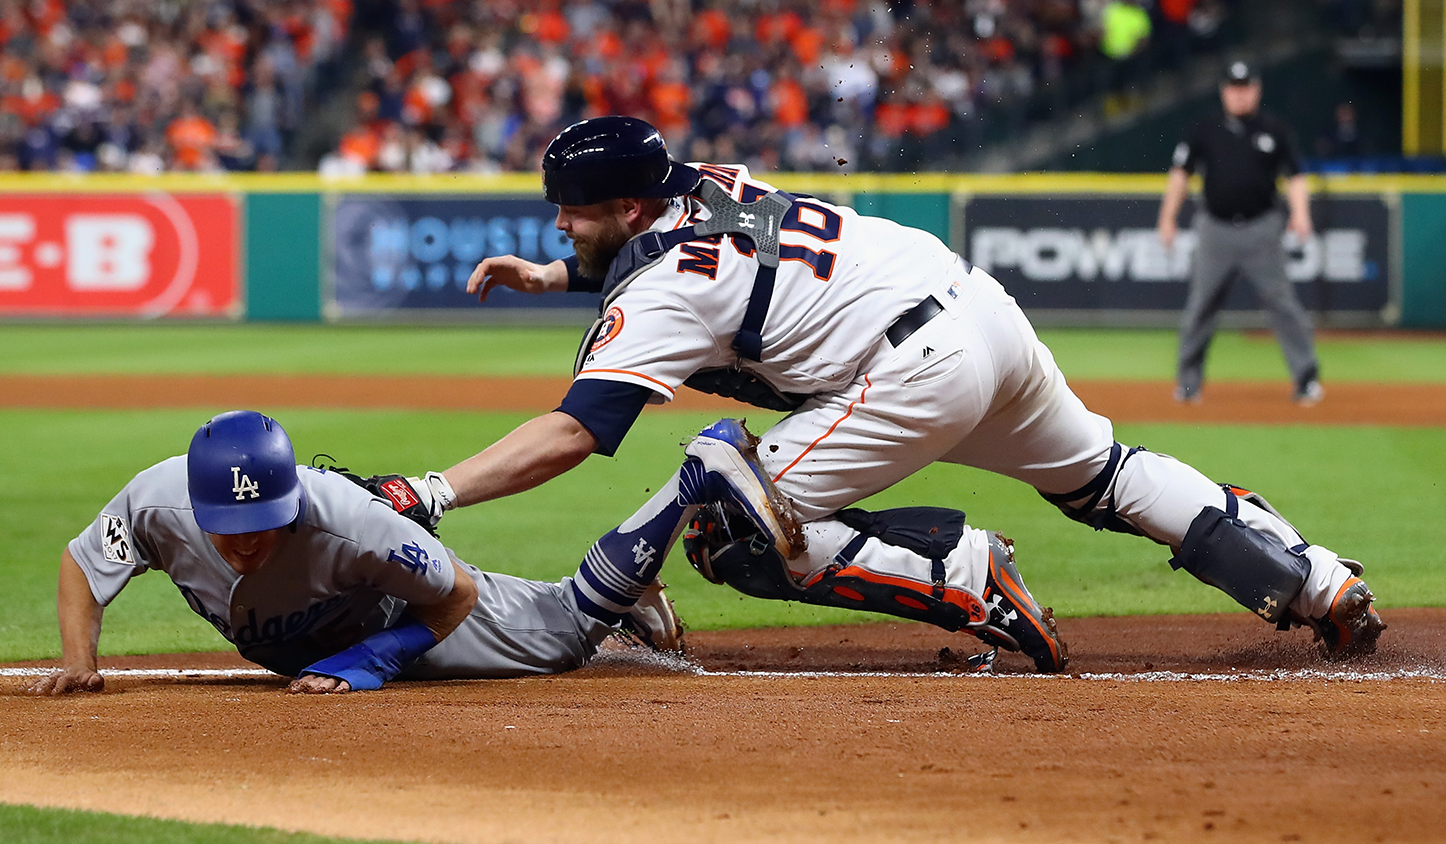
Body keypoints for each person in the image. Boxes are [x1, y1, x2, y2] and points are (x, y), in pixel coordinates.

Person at [414, 115, 1384, 674]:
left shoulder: (664, 286)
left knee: (726, 521)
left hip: (909, 369)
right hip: (975, 308)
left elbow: (576, 431)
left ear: (625, 209)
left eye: (570, 214)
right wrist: (551, 278)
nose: (557, 226)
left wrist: (434, 491)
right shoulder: (700, 185)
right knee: (1103, 473)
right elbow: (663, 251)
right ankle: (1317, 578)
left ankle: (962, 573)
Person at [27, 410, 684, 696]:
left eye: (265, 521)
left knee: (565, 633)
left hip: (406, 614)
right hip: (320, 628)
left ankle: (693, 483)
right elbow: (84, 564)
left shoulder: (348, 523)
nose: (249, 539)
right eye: (232, 526)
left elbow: (457, 593)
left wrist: (376, 658)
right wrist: (80, 664)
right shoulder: (156, 503)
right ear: (196, 510)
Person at [1157, 60, 1323, 405]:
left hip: (1262, 228)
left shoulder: (1274, 130)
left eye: (1245, 87)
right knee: (1201, 306)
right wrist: (1167, 218)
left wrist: (1301, 213)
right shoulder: (1204, 129)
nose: (1239, 94)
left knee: (1282, 304)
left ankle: (1306, 380)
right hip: (1214, 229)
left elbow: (1294, 176)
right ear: (1223, 91)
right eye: (1233, 87)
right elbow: (1180, 175)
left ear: (1256, 90)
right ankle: (1188, 384)